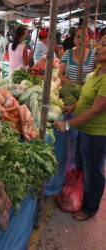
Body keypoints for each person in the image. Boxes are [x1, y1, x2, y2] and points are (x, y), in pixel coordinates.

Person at [54, 34, 106, 221]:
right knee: (84, 166)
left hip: (96, 133)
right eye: (100, 43)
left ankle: (89, 208)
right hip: (85, 129)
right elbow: (85, 96)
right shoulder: (99, 70)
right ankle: (82, 196)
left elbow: (95, 110)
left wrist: (67, 124)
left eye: (104, 44)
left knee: (94, 173)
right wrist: (74, 107)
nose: (98, 47)